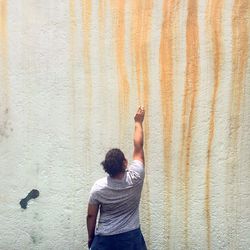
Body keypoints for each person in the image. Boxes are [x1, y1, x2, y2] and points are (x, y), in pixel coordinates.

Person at [86, 106, 147, 250]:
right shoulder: (136, 177)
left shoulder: (98, 187)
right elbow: (138, 146)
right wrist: (138, 121)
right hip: (131, 238)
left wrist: (91, 238)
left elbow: (90, 216)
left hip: (105, 240)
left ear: (106, 167)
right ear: (125, 163)